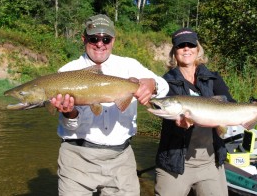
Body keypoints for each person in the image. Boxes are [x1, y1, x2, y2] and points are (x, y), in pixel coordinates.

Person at [50, 14, 169, 196]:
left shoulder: (130, 66)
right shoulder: (66, 72)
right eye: (93, 38)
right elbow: (69, 126)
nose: (100, 44)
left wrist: (153, 84)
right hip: (77, 159)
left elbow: (165, 87)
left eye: (106, 38)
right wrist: (69, 113)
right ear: (84, 39)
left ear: (113, 40)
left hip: (121, 159)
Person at [154, 28, 257, 196]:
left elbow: (231, 105)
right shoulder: (165, 82)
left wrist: (256, 110)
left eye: (190, 44)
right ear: (174, 52)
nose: (186, 49)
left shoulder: (213, 78)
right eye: (181, 46)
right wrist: (180, 124)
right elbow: (167, 112)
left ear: (197, 49)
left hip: (210, 162)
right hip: (174, 162)